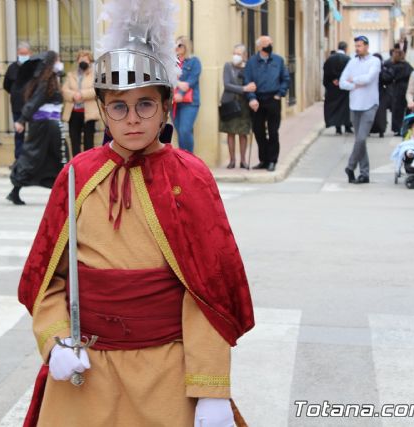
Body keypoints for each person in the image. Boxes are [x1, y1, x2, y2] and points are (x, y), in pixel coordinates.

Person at [18, 1, 254, 426]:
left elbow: (208, 295)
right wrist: (54, 342)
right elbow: (46, 278)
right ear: (103, 109)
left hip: (166, 373)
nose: (132, 119)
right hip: (86, 372)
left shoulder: (191, 178)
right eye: (119, 106)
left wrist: (210, 388)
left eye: (146, 104)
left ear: (166, 107)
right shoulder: (77, 175)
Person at [7, 52, 64, 206]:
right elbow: (35, 101)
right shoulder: (46, 82)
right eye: (58, 60)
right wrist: (22, 119)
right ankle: (16, 188)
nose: (60, 62)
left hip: (49, 123)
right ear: (52, 63)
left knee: (53, 157)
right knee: (34, 155)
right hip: (44, 124)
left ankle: (60, 191)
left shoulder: (50, 80)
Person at [244, 35, 291, 172]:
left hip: (273, 99)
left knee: (273, 131)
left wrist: (279, 94)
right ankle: (263, 160)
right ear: (259, 46)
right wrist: (252, 98)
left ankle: (272, 160)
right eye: (266, 43)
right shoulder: (252, 62)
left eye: (271, 42)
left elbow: (286, 79)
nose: (270, 45)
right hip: (257, 100)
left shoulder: (278, 60)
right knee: (258, 131)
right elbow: (247, 81)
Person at [339, 35, 381, 184]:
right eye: (356, 46)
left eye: (360, 46)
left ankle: (350, 166)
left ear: (367, 46)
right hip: (354, 105)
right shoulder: (352, 62)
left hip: (370, 105)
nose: (358, 48)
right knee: (359, 141)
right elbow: (342, 82)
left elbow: (369, 78)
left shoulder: (375, 61)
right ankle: (364, 174)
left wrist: (354, 80)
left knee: (361, 138)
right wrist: (353, 85)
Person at [220, 44, 255, 169]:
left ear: (245, 56)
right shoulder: (228, 66)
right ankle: (232, 160)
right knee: (230, 132)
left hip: (244, 104)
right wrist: (244, 88)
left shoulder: (249, 68)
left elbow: (252, 84)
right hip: (229, 103)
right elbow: (227, 84)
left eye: (239, 54)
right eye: (234, 53)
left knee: (243, 133)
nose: (236, 56)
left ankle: (243, 160)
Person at [61, 50, 100, 157]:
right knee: (74, 141)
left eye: (86, 59)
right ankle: (76, 165)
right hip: (73, 112)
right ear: (77, 61)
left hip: (89, 113)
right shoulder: (71, 75)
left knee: (88, 141)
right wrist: (74, 95)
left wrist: (82, 94)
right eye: (81, 59)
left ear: (90, 61)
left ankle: (89, 164)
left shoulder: (95, 75)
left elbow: (96, 90)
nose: (83, 61)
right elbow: (64, 90)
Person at [4, 41, 33, 162]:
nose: (23, 55)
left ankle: (32, 159)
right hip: (17, 105)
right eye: (21, 53)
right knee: (19, 133)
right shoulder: (12, 68)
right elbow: (6, 85)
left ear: (30, 53)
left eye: (25, 53)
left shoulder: (34, 67)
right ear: (17, 53)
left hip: (32, 105)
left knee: (33, 133)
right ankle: (19, 160)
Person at [172, 35, 201, 153]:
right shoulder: (172, 62)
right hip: (174, 102)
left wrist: (181, 93)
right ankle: (183, 158)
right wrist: (178, 83)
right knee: (179, 131)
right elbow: (167, 77)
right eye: (175, 44)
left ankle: (189, 158)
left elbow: (192, 81)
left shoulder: (194, 61)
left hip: (189, 103)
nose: (176, 47)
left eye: (180, 45)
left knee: (185, 130)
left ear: (186, 47)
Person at [323, 42, 353, 135]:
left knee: (335, 107)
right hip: (345, 88)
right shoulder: (348, 59)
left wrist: (333, 80)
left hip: (333, 88)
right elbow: (351, 73)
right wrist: (342, 80)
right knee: (346, 108)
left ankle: (338, 128)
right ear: (346, 48)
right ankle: (347, 127)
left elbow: (326, 72)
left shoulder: (330, 59)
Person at [387, 48, 413, 136]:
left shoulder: (394, 66)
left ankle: (398, 129)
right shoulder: (407, 65)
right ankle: (408, 127)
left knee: (397, 110)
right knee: (407, 110)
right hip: (407, 88)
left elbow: (389, 77)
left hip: (398, 89)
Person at [370, 53, 394, 138]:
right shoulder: (371, 70)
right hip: (373, 95)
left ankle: (380, 130)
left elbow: (388, 79)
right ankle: (374, 130)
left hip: (380, 94)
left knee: (379, 114)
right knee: (374, 113)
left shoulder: (382, 70)